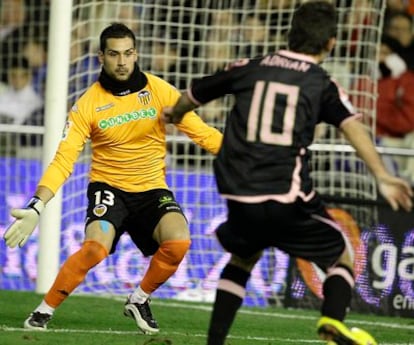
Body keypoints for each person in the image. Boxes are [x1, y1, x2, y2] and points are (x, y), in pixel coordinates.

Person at [162, 2, 413, 345]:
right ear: (331, 43)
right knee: (342, 253)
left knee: (242, 258)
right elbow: (351, 126)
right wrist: (382, 175)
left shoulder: (249, 66)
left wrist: (174, 113)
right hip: (284, 194)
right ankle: (331, 322)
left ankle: (214, 342)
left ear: (289, 34)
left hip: (238, 192)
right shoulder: (320, 82)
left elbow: (194, 93)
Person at [3, 23, 222, 334]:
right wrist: (38, 204)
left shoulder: (160, 91)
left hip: (152, 189)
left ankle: (140, 298)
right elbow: (64, 159)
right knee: (95, 248)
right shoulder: (87, 105)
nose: (122, 61)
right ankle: (44, 309)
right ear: (100, 57)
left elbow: (203, 134)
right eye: (115, 54)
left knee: (179, 242)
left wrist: (248, 159)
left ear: (136, 54)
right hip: (109, 189)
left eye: (128, 53)